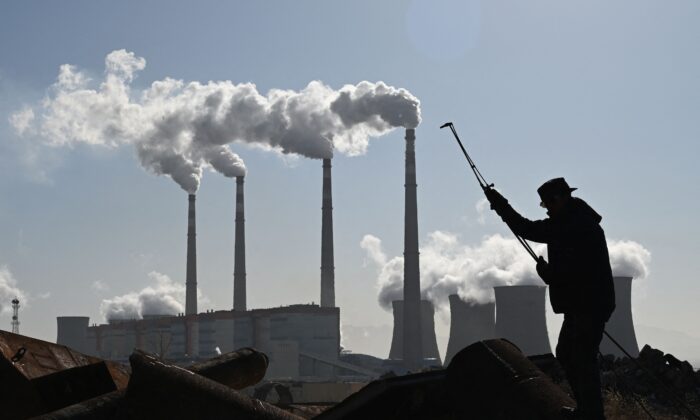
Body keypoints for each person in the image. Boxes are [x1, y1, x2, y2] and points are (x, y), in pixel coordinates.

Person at [485, 177, 615, 420]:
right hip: (582, 303)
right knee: (568, 354)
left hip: (589, 303)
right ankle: (587, 411)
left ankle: (591, 415)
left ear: (564, 197)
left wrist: (550, 275)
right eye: (544, 204)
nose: (548, 208)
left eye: (550, 202)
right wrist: (499, 203)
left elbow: (574, 268)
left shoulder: (576, 225)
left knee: (582, 358)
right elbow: (529, 229)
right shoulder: (568, 221)